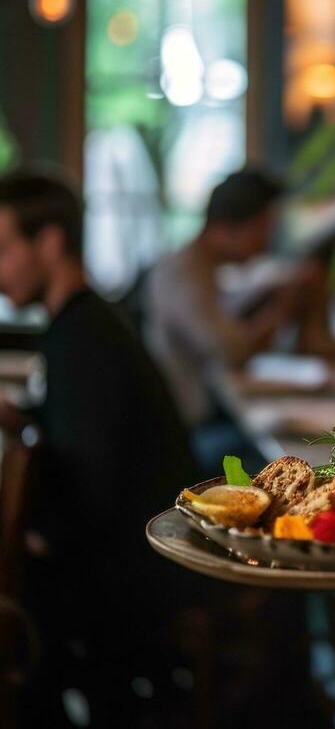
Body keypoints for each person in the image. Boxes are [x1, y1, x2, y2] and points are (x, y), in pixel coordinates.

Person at [0, 169, 199, 726]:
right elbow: (82, 435)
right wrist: (22, 417)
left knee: (19, 595)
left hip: (136, 571)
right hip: (136, 549)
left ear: (51, 242)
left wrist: (33, 537)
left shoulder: (82, 338)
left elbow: (92, 491)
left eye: (3, 249)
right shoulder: (85, 324)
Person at [144, 168, 326, 469]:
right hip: (189, 436)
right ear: (227, 228)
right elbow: (233, 353)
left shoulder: (199, 268)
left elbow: (228, 317)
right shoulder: (181, 275)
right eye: (263, 227)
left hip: (202, 420)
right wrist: (285, 304)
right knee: (300, 465)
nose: (267, 241)